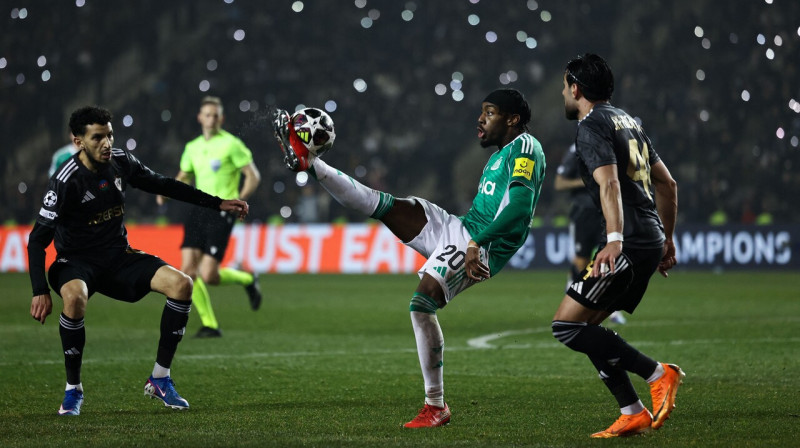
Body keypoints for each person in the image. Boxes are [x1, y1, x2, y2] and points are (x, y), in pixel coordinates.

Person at [272, 88, 546, 428]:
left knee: (422, 304)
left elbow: (519, 209)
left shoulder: (525, 148)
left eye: (489, 113)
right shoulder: (499, 156)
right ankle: (310, 163)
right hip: (462, 228)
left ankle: (436, 406)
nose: (480, 119)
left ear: (513, 119)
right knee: (383, 204)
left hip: (482, 244)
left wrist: (477, 242)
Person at [28, 106, 249, 415]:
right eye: (97, 138)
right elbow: (37, 240)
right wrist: (40, 290)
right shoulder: (66, 181)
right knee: (75, 298)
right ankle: (73, 390)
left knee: (182, 284)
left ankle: (160, 378)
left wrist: (217, 203)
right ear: (79, 142)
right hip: (75, 261)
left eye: (109, 135)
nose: (107, 143)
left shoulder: (120, 161)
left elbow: (163, 184)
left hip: (118, 256)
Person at [554, 53, 682, 437]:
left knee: (567, 325)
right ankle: (632, 411)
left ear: (576, 89)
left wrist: (614, 240)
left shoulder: (591, 125)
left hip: (627, 241)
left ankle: (657, 373)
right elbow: (668, 185)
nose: (563, 94)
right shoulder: (627, 121)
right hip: (647, 237)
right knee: (590, 326)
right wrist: (666, 239)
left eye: (565, 87)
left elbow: (609, 182)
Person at [157, 96, 262, 338]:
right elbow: (184, 176)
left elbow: (253, 176)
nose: (211, 119)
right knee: (187, 270)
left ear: (221, 119)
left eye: (215, 115)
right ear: (200, 118)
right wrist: (166, 191)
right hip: (198, 209)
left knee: (210, 275)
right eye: (207, 114)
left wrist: (239, 201)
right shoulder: (192, 147)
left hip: (222, 210)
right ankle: (210, 325)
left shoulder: (232, 144)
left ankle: (247, 279)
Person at [555, 144, 626, 324]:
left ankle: (610, 308)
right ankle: (577, 295)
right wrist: (586, 180)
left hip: (607, 212)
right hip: (583, 214)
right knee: (582, 261)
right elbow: (559, 182)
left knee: (609, 259)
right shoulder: (576, 150)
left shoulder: (611, 147)